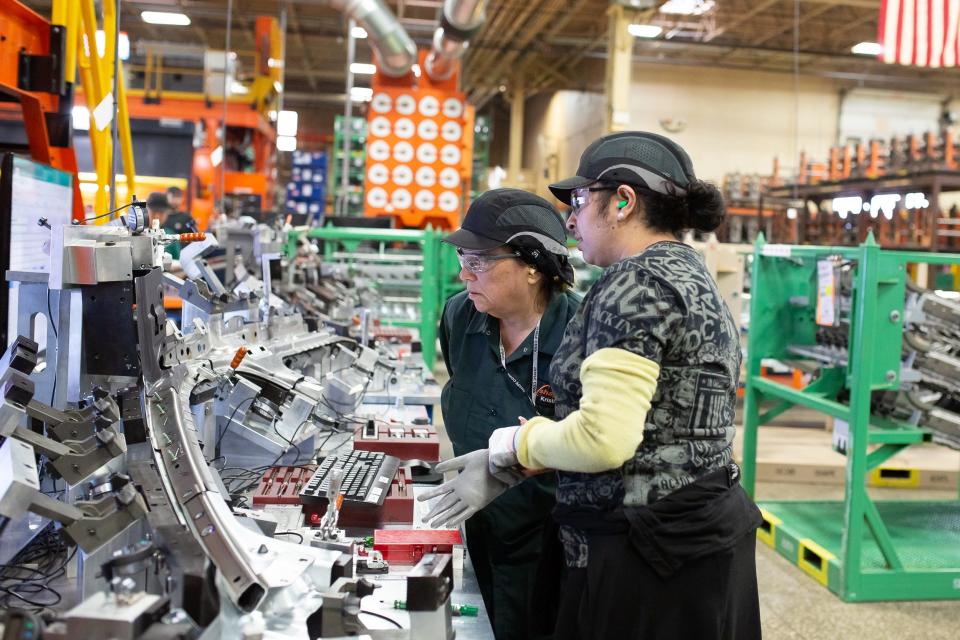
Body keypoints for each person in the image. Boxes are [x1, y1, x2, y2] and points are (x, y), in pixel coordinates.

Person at [421, 132, 762, 640]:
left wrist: (512, 446)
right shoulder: (687, 271)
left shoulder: (632, 286)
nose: (571, 219)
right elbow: (653, 429)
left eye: (579, 201)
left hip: (648, 555)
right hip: (698, 539)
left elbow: (605, 437)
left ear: (623, 202)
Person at [430, 188, 580, 640]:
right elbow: (462, 380)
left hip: (552, 545)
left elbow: (595, 442)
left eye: (478, 262)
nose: (463, 274)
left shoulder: (582, 333)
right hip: (480, 527)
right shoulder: (461, 317)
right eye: (462, 258)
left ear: (532, 266)